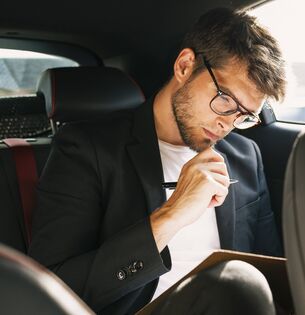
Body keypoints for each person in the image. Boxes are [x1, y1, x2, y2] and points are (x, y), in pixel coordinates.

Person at [29, 7, 286, 315]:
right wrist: (171, 214)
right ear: (185, 66)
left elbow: (270, 273)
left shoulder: (245, 156)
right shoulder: (86, 149)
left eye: (244, 115)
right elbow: (50, 292)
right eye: (226, 100)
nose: (227, 124)